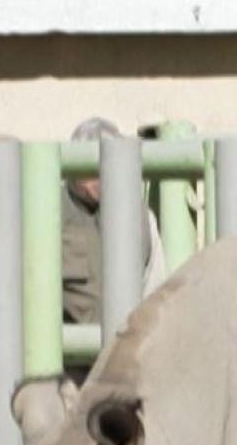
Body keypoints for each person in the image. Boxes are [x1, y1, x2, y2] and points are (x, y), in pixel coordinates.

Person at [62, 117, 168, 326]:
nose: (100, 178)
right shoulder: (51, 215)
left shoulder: (141, 217)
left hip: (127, 350)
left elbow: (155, 287)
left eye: (108, 168)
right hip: (68, 355)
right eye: (92, 169)